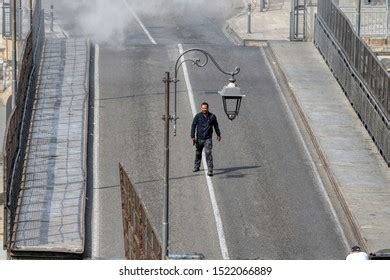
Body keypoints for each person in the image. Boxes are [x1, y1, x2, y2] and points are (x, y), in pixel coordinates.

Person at [191, 102, 221, 176]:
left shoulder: (212, 117)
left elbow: (216, 126)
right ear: (201, 108)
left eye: (205, 108)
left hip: (208, 139)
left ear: (208, 108)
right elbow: (193, 126)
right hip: (199, 139)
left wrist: (218, 134)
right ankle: (196, 167)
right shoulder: (197, 116)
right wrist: (193, 137)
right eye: (203, 108)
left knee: (208, 153)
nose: (204, 109)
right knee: (198, 153)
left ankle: (210, 170)